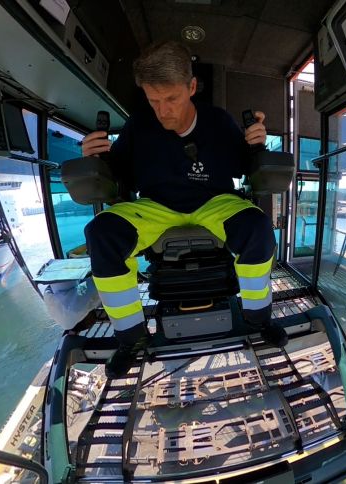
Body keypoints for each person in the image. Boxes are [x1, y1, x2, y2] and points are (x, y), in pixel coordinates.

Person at [81, 40, 287, 378]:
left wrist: (257, 141)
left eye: (171, 98)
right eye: (154, 100)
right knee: (101, 232)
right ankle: (131, 338)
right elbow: (118, 175)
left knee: (257, 226)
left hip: (214, 201)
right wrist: (96, 155)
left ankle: (258, 317)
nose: (163, 111)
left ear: (191, 87)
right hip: (155, 205)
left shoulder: (218, 122)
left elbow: (245, 165)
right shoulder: (138, 125)